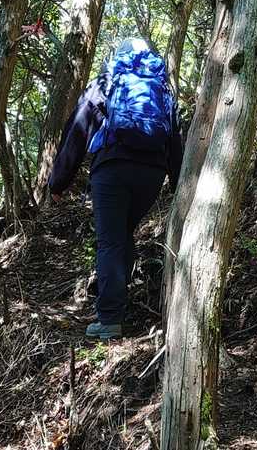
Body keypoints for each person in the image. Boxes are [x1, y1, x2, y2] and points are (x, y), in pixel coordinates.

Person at [48, 37, 181, 340]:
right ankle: (118, 302)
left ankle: (109, 318)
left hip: (112, 170)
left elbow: (78, 131)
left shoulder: (105, 83)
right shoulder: (161, 88)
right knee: (122, 235)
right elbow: (175, 137)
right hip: (152, 174)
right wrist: (177, 182)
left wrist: (58, 181)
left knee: (110, 242)